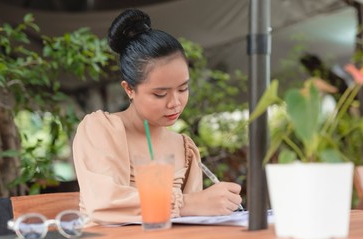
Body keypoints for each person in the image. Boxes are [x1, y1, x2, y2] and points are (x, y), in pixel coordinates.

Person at [72, 8, 242, 226]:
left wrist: (216, 203)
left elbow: (194, 223)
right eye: (160, 94)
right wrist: (186, 204)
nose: (175, 103)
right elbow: (104, 203)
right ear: (129, 89)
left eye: (183, 89)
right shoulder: (101, 129)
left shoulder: (184, 147)